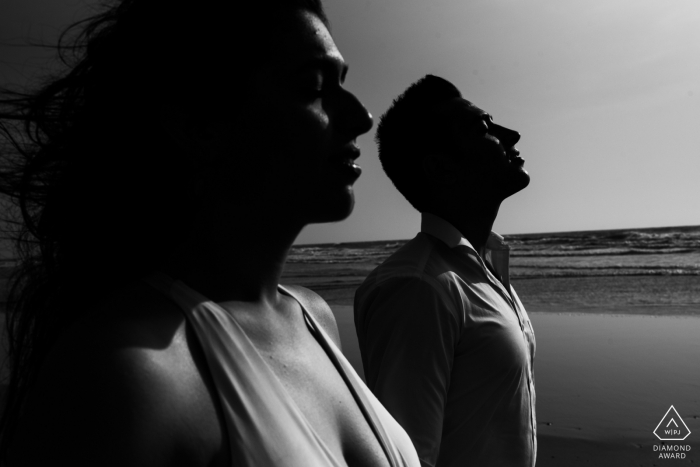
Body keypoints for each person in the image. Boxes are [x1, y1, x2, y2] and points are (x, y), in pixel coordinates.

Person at [0, 1, 422, 465]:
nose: (362, 117)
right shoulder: (130, 372)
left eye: (342, 82)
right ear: (200, 126)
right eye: (312, 88)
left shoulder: (313, 317)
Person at [354, 75, 536, 467]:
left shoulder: (484, 266)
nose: (512, 134)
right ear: (442, 168)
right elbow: (409, 458)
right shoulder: (417, 289)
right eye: (484, 127)